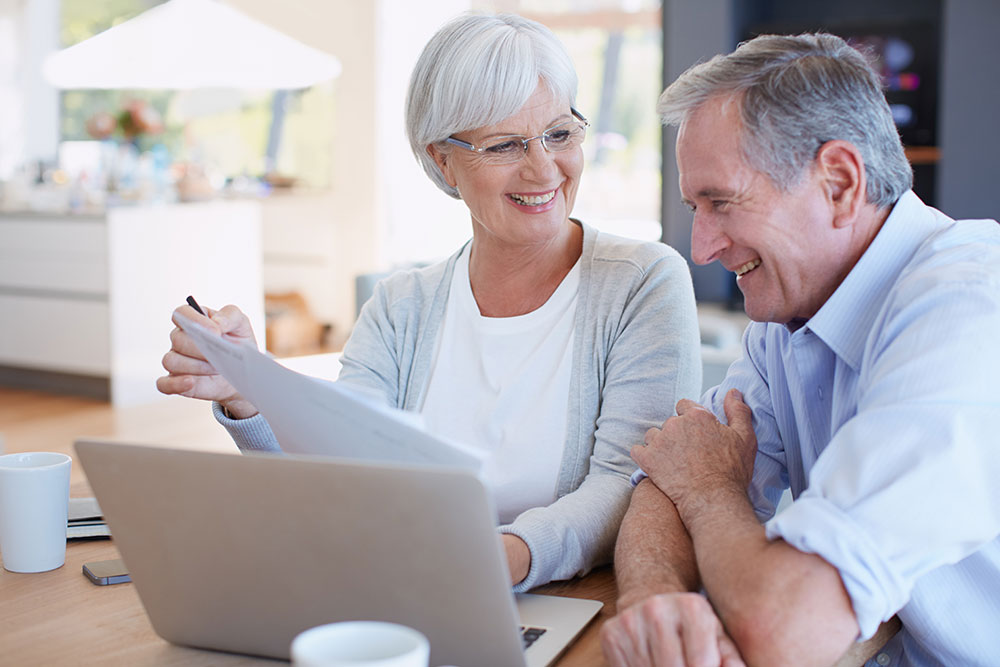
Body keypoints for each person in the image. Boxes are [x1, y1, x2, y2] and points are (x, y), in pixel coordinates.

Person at [157, 13, 702, 592]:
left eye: (559, 134)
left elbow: (628, 483)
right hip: (406, 589)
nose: (543, 168)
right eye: (505, 145)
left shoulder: (644, 282)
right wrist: (250, 392)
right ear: (443, 160)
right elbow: (337, 478)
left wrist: (502, 557)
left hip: (562, 601)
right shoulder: (399, 307)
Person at [600, 32, 1000, 666]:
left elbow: (782, 626)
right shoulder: (786, 313)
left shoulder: (970, 310)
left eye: (721, 202)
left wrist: (711, 492)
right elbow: (667, 476)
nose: (700, 247)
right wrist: (657, 603)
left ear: (839, 183)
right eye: (692, 207)